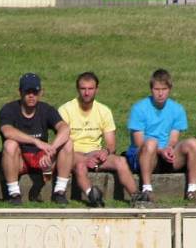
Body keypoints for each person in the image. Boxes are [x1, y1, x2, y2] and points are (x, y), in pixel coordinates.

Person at [58, 72, 138, 207]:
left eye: (90, 89)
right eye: (83, 89)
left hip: (95, 155)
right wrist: (85, 158)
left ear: (96, 89)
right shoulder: (65, 110)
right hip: (73, 155)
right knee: (80, 166)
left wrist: (105, 152)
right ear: (78, 90)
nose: (87, 93)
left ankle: (137, 196)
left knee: (120, 161)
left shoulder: (104, 111)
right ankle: (94, 197)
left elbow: (112, 144)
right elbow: (62, 144)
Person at [126, 69, 196, 203]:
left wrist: (169, 148)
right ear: (151, 89)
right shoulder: (139, 108)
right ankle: (147, 189)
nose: (160, 93)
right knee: (151, 143)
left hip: (164, 154)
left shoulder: (177, 109)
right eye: (156, 89)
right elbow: (138, 142)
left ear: (170, 89)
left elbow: (173, 139)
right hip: (144, 154)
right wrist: (160, 150)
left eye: (164, 89)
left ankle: (192, 190)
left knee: (194, 143)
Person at [0, 73, 73, 206]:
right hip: (20, 159)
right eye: (27, 92)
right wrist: (36, 141)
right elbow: (7, 131)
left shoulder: (47, 109)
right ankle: (14, 194)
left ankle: (59, 192)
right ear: (20, 92)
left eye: (35, 91)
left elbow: (65, 128)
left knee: (68, 143)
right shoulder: (9, 109)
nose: (31, 95)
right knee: (10, 144)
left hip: (42, 158)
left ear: (41, 92)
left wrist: (52, 149)